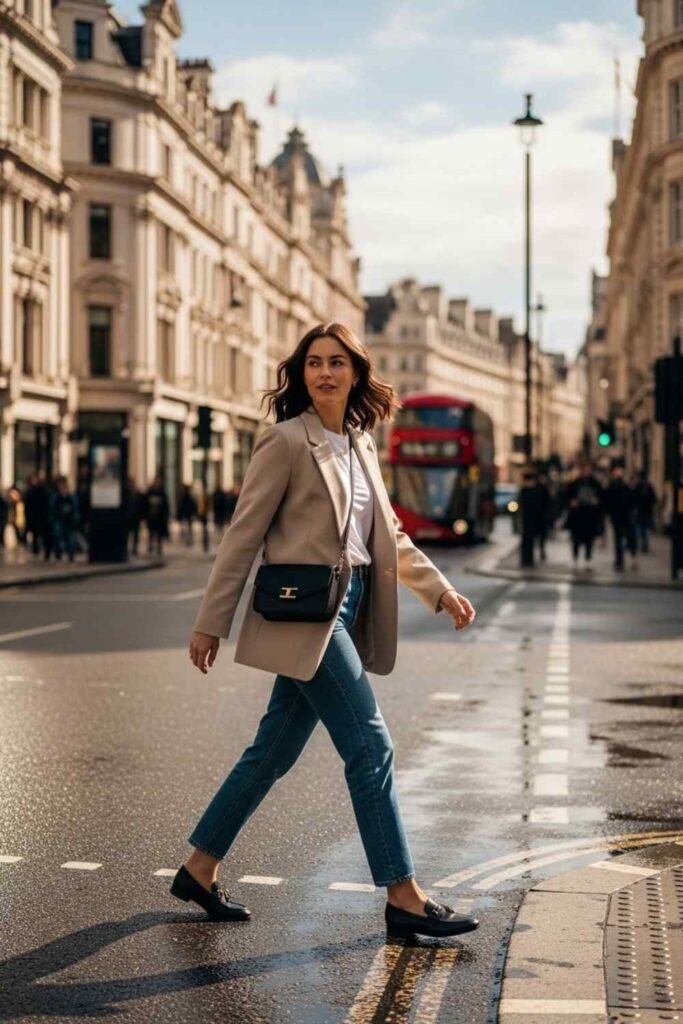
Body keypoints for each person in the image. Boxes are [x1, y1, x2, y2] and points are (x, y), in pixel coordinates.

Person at [172, 322, 479, 942]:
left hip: (350, 603)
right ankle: (404, 894)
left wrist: (439, 589)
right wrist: (211, 622)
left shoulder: (363, 444)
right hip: (308, 611)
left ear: (356, 373)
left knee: (273, 751)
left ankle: (198, 869)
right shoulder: (286, 441)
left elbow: (387, 535)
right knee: (371, 747)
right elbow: (243, 535)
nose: (325, 373)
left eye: (337, 362)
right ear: (301, 373)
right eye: (314, 363)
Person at [564, 464, 603, 568]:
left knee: (589, 540)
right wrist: (571, 503)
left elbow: (602, 499)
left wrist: (597, 503)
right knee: (576, 539)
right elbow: (567, 496)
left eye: (588, 470)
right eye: (585, 470)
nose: (587, 472)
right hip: (578, 516)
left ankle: (588, 559)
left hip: (590, 516)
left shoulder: (595, 484)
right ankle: (575, 558)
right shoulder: (575, 483)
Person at [604, 466, 637, 571]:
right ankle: (620, 560)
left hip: (624, 517)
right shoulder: (615, 486)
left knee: (626, 538)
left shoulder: (625, 486)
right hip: (619, 517)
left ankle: (624, 559)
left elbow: (632, 501)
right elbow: (608, 501)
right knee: (620, 539)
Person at [52, 477, 80, 562]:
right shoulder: (57, 498)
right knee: (59, 538)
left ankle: (70, 554)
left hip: (68, 521)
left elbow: (75, 509)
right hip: (60, 520)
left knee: (69, 539)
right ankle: (59, 553)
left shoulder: (71, 498)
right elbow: (54, 509)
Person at [632, 472, 657, 554]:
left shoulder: (638, 486)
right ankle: (644, 545)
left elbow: (633, 499)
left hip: (640, 512)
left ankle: (641, 545)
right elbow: (654, 499)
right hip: (646, 512)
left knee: (640, 530)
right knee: (644, 530)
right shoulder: (649, 487)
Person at [145, 475, 170, 556]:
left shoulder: (162, 492)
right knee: (151, 533)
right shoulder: (150, 491)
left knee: (159, 534)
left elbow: (165, 505)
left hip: (159, 517)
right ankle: (150, 546)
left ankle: (159, 548)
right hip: (152, 517)